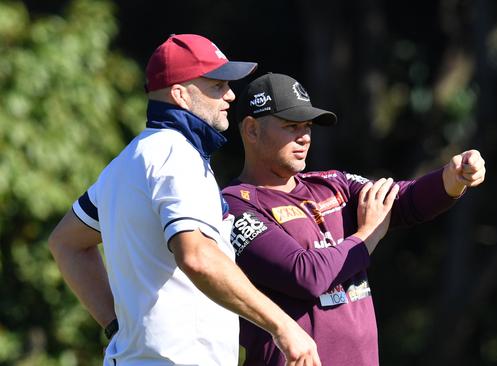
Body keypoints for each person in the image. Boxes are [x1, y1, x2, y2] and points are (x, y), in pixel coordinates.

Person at [48, 35, 321, 366]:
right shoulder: (176, 156)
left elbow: (66, 243)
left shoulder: (129, 159)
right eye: (217, 85)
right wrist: (283, 327)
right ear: (180, 94)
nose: (231, 95)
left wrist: (118, 327)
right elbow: (197, 256)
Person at [222, 72, 487, 365]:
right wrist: (368, 234)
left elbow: (403, 201)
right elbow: (305, 275)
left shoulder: (332, 183)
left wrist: (453, 177)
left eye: (308, 126)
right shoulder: (234, 205)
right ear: (251, 130)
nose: (305, 136)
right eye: (291, 126)